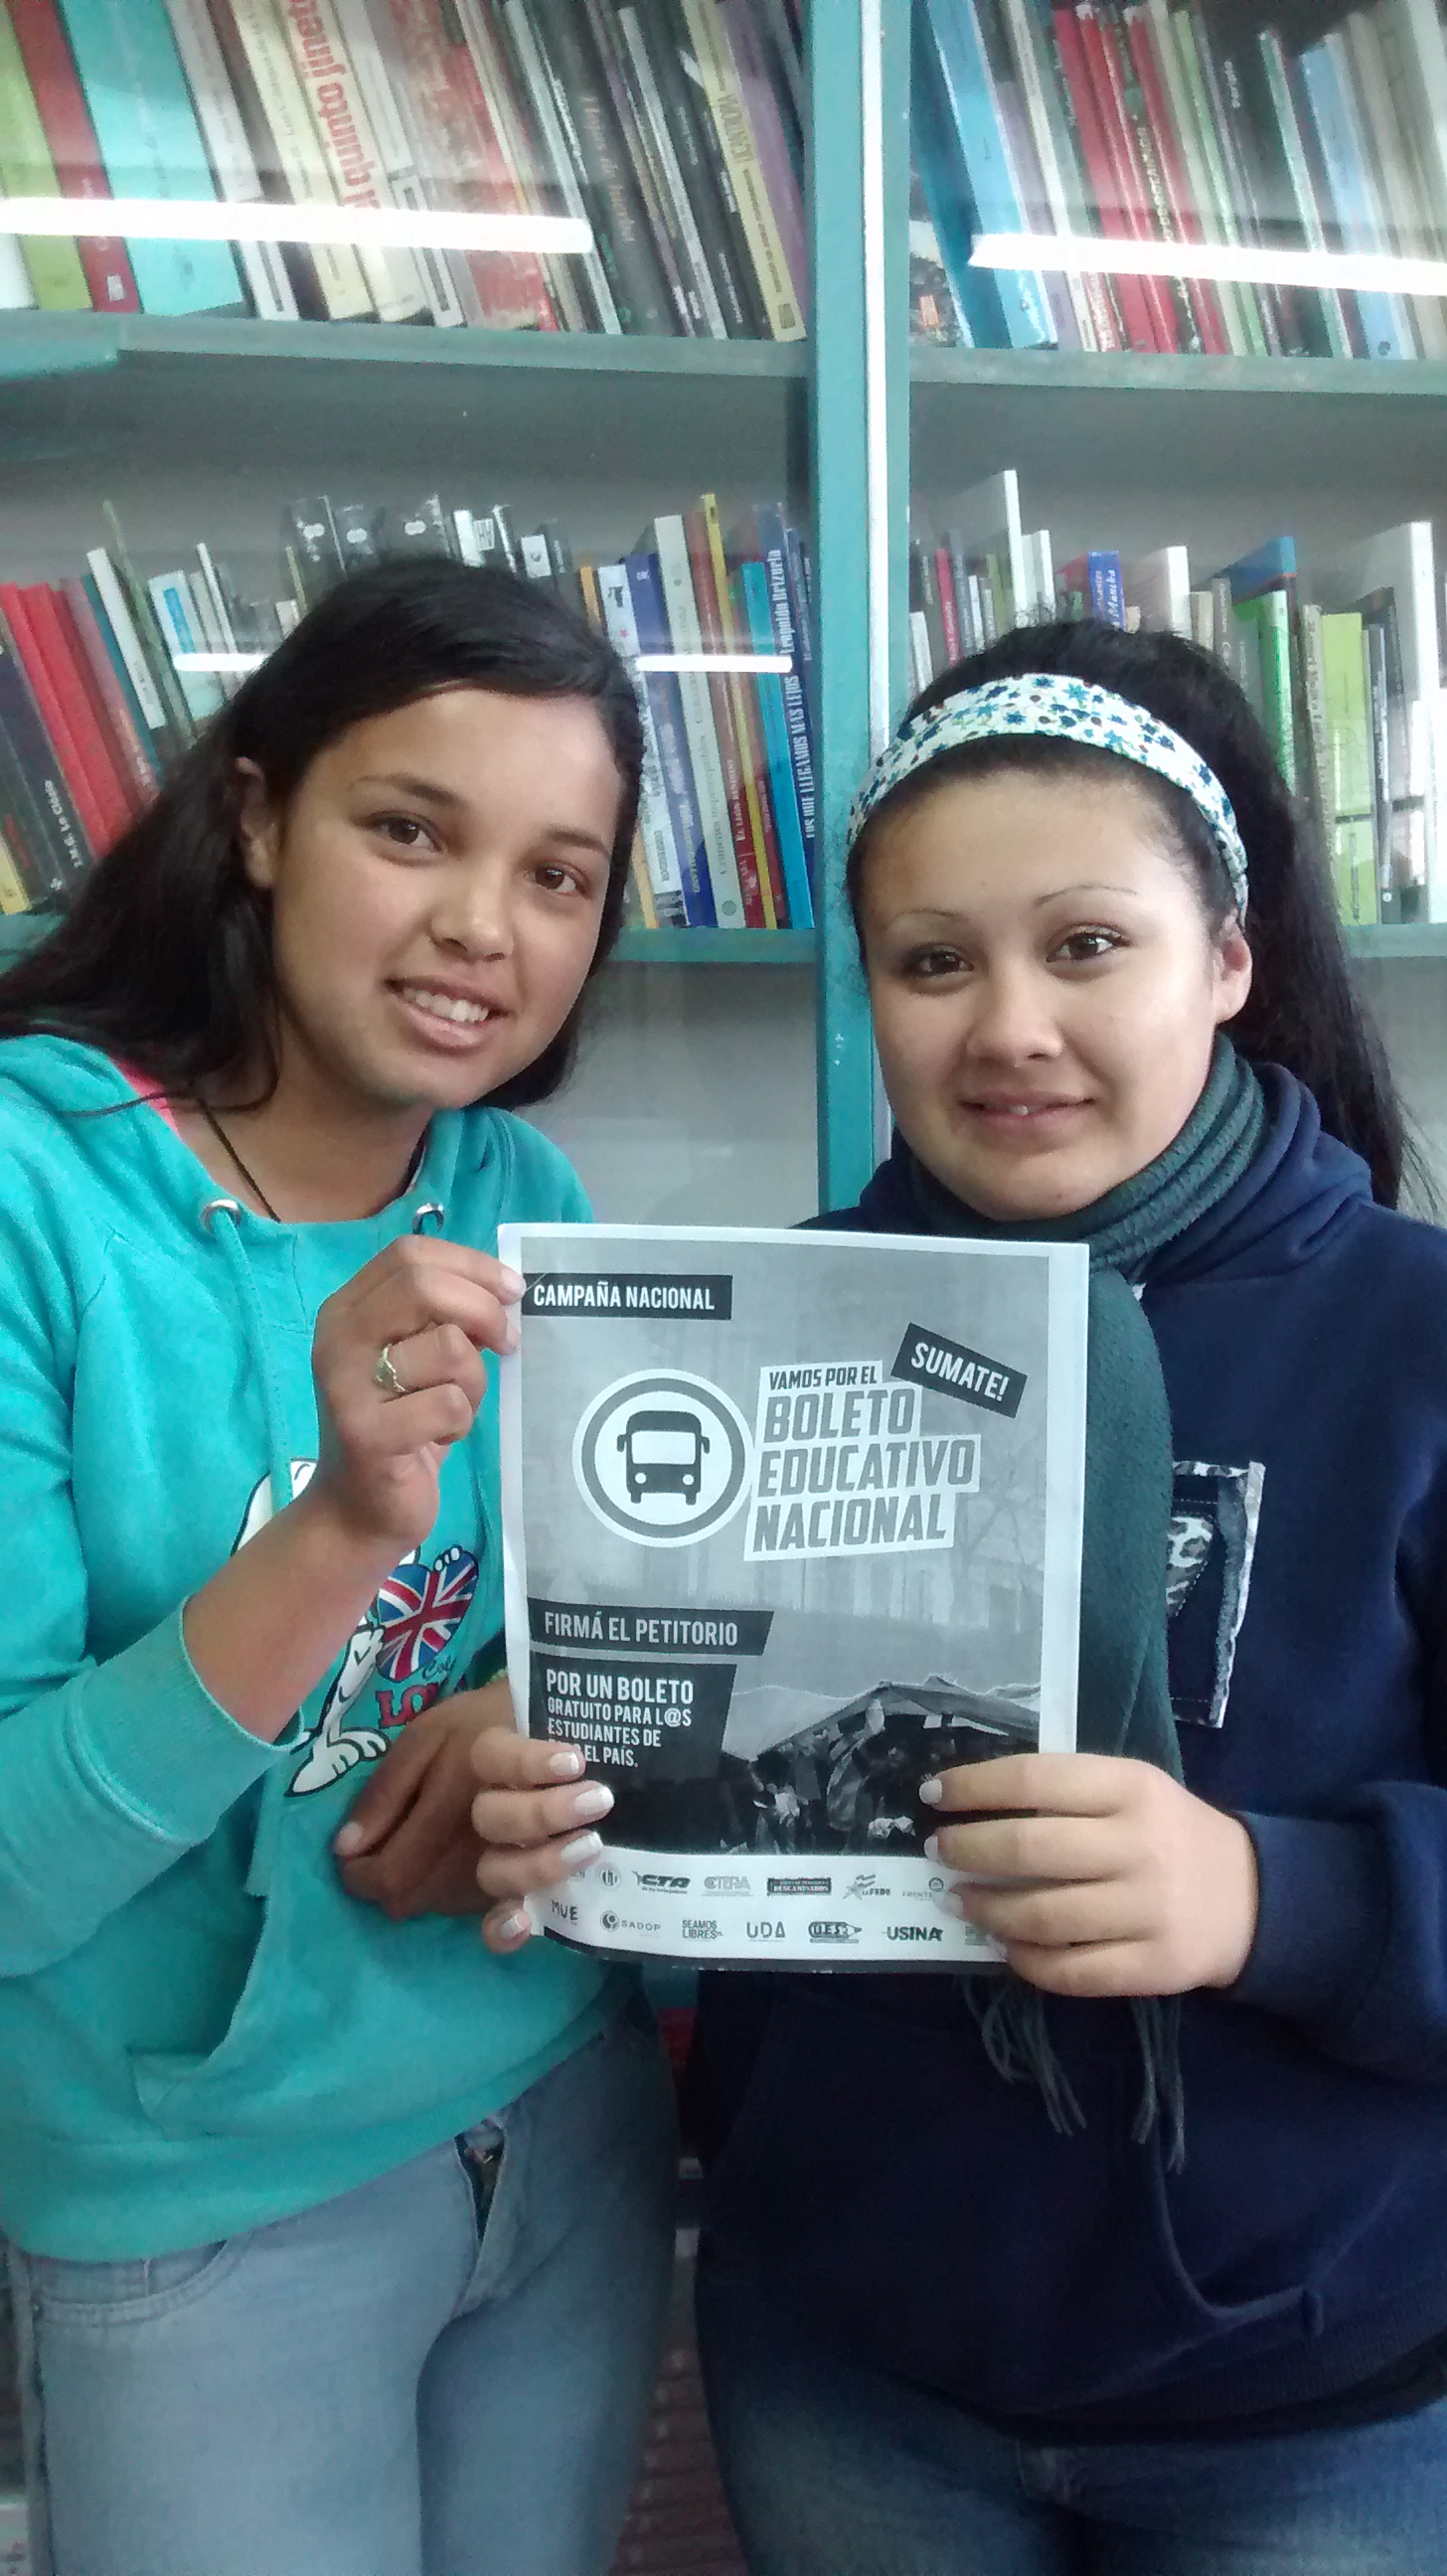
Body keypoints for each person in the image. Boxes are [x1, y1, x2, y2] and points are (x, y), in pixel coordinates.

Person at [478, 612, 1447, 2574]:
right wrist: (549, 1796)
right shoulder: (752, 1332)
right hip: (853, 2364)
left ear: (1230, 961)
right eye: (933, 962)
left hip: (1310, 2402)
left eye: (1085, 944)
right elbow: (656, 1792)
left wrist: (1271, 1896)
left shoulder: (1412, 1339)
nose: (1006, 1026)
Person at [0, 558, 678, 2576]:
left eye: (559, 876)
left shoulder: (516, 1188)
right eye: (410, 830)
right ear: (257, 815)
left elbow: (584, 1635)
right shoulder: (36, 1195)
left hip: (559, 2119)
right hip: (198, 2196)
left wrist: (512, 1731)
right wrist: (339, 1533)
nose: (483, 925)